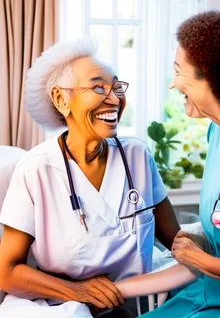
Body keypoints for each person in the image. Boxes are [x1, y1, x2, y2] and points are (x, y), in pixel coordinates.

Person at [0, 36, 180, 318]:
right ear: (61, 99)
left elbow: (175, 240)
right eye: (98, 87)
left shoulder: (137, 155)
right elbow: (7, 272)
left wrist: (219, 256)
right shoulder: (35, 169)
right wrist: (79, 291)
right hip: (61, 305)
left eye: (117, 87)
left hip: (134, 299)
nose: (115, 99)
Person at [115, 10, 220, 317]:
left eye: (179, 72)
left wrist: (201, 260)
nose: (172, 84)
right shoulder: (217, 131)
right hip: (208, 292)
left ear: (216, 79)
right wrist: (203, 241)